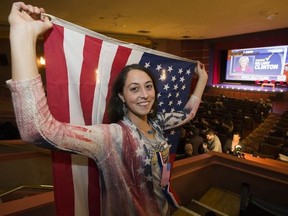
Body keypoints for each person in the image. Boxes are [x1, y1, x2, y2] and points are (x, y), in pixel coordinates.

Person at [7, 2, 208, 216]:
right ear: (121, 96)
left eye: (148, 86)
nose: (144, 95)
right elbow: (37, 130)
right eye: (134, 88)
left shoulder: (157, 122)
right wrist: (22, 37)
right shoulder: (112, 138)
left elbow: (187, 114)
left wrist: (202, 79)